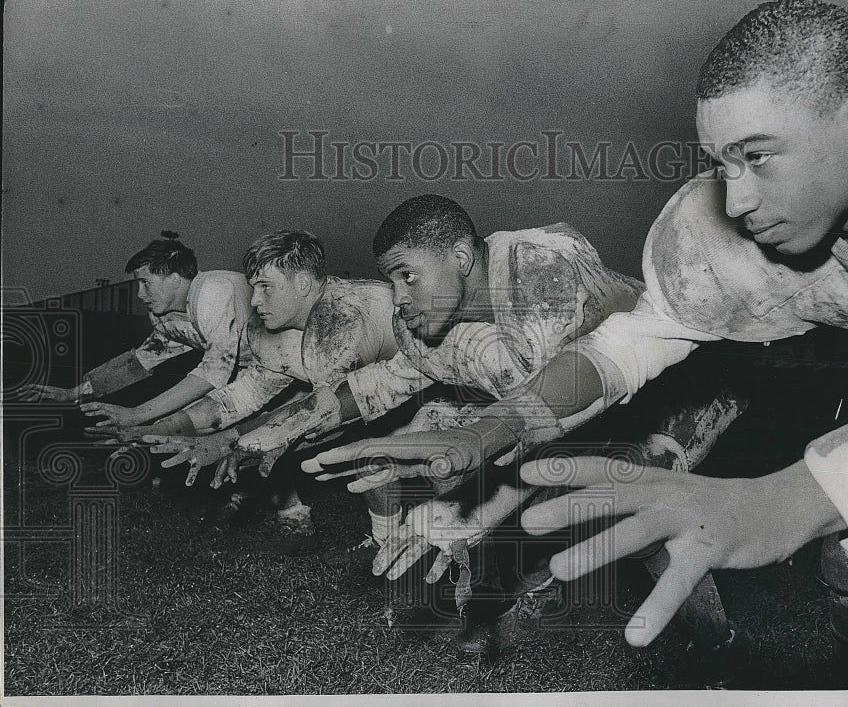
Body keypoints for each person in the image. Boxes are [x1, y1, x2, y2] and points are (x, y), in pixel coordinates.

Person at [305, 0, 848, 649]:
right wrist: (496, 428)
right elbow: (632, 341)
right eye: (722, 163)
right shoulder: (717, 228)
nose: (737, 198)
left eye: (758, 155)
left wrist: (781, 500)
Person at [293, 194, 745, 654]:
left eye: (407, 275)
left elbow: (561, 421)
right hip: (565, 405)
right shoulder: (430, 316)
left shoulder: (538, 271)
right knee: (475, 448)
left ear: (461, 258)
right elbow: (392, 378)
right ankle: (534, 586)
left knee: (640, 505)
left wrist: (471, 510)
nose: (400, 297)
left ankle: (718, 651)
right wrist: (292, 421)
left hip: (683, 385)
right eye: (392, 280)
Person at [136, 230, 400, 548]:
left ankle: (417, 540)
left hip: (445, 379)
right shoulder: (269, 328)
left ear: (302, 284)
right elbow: (245, 394)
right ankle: (389, 539)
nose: (254, 300)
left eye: (265, 288)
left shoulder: (342, 320)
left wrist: (237, 443)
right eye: (253, 287)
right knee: (368, 445)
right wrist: (167, 425)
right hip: (380, 383)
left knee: (401, 449)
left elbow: (324, 416)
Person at [26, 239, 252, 429]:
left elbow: (214, 372)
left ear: (174, 279)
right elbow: (139, 361)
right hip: (253, 368)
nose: (140, 294)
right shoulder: (166, 315)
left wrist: (137, 415)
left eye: (145, 283)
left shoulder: (212, 290)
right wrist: (73, 393)